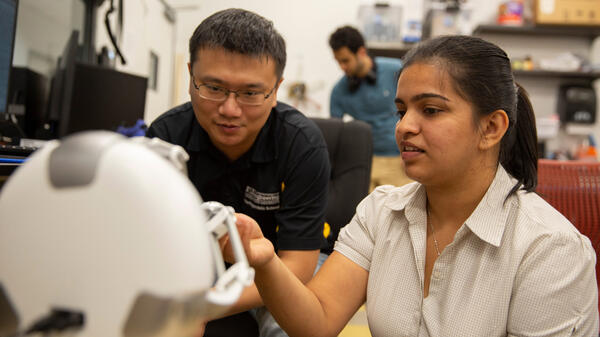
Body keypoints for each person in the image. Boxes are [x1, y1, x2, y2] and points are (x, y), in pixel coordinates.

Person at [225, 35, 599, 336]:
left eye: (431, 110)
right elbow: (317, 320)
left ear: (491, 128)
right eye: (402, 111)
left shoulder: (550, 250)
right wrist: (265, 260)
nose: (403, 126)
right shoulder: (381, 211)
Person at [145, 8, 330, 337]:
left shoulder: (302, 146)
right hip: (194, 269)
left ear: (275, 91)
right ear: (191, 77)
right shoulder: (166, 139)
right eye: (213, 88)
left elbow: (298, 267)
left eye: (250, 93)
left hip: (278, 267)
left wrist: (206, 306)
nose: (230, 110)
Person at [329, 25, 411, 191]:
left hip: (398, 159)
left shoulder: (396, 70)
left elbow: (415, 111)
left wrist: (410, 152)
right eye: (338, 62)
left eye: (345, 60)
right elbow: (335, 135)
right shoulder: (339, 91)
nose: (342, 67)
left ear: (361, 52)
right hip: (364, 162)